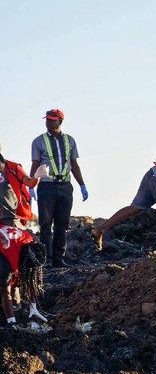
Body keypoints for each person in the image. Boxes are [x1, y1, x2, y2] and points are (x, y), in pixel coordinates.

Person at [30, 109, 87, 267]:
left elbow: (74, 164)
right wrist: (31, 185)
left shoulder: (70, 141)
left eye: (51, 119)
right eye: (47, 119)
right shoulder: (38, 141)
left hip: (65, 187)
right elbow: (35, 163)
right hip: (46, 186)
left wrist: (82, 184)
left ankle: (58, 259)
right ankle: (46, 260)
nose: (48, 122)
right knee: (45, 224)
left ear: (59, 121)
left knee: (62, 224)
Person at [1, 225, 47, 328]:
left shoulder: (29, 240)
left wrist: (33, 306)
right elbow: (6, 291)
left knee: (17, 282)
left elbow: (31, 279)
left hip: (9, 239)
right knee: (4, 286)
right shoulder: (11, 258)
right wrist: (12, 323)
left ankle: (16, 308)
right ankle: (10, 320)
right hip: (4, 250)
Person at [0, 148, 48, 227]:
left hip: (11, 217)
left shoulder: (13, 167)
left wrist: (36, 176)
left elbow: (30, 183)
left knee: (21, 237)